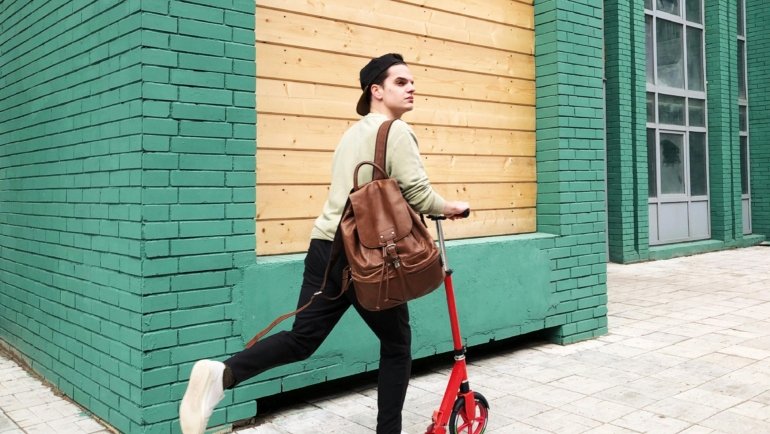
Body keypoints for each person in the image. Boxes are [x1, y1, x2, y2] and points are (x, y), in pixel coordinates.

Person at [179, 53, 470, 434]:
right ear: (376, 91)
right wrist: (451, 207)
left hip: (325, 247)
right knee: (397, 346)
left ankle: (223, 373)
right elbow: (416, 192)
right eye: (401, 82)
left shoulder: (351, 134)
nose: (412, 87)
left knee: (303, 338)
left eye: (412, 81)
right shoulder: (395, 131)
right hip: (367, 256)